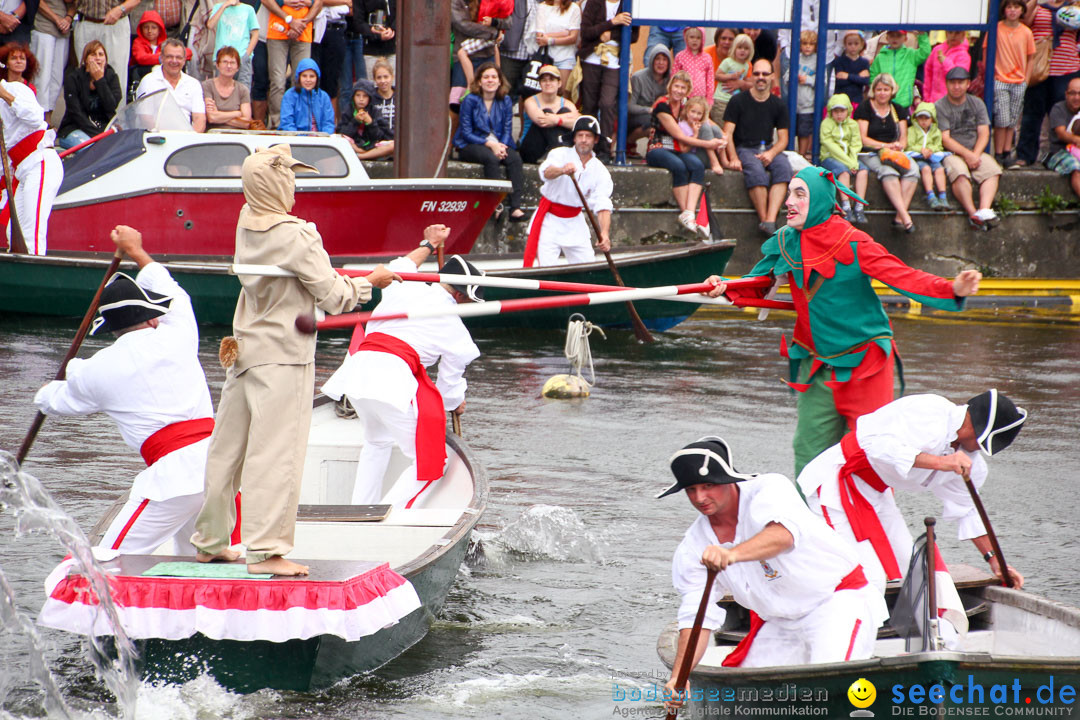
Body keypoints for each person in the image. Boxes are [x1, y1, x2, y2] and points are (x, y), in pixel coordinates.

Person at [190, 144, 399, 576]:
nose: (295, 188)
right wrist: (370, 282)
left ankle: (210, 541)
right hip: (283, 357)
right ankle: (266, 551)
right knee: (277, 454)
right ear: (278, 182)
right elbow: (336, 297)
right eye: (291, 179)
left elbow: (301, 273)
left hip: (245, 350)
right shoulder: (297, 234)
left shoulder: (246, 222)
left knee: (226, 451)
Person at [705, 166, 982, 475]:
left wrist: (951, 289)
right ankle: (806, 520)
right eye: (789, 193)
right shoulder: (786, 240)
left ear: (822, 200)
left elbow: (903, 277)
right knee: (808, 453)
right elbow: (757, 283)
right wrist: (725, 286)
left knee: (867, 456)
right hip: (816, 363)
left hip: (866, 364)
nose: (789, 201)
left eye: (800, 194)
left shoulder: (854, 242)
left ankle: (862, 520)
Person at [659, 436, 887, 705]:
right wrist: (679, 677)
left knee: (829, 688)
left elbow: (783, 536)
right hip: (779, 621)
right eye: (691, 490)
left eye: (708, 486)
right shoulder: (693, 547)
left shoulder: (769, 489)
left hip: (837, 602)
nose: (700, 497)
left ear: (728, 480)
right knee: (748, 701)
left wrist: (731, 554)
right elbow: (696, 619)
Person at [33, 227, 213, 555]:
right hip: (221, 465)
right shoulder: (179, 333)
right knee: (202, 563)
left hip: (173, 479)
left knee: (106, 562)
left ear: (112, 328)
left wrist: (45, 391)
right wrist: (135, 249)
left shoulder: (98, 369)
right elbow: (172, 292)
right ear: (153, 318)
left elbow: (57, 401)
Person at [797, 391, 1027, 637]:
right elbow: (874, 444)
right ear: (976, 426)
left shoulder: (970, 463)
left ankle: (938, 638)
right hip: (837, 480)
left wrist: (994, 560)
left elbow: (968, 512)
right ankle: (837, 640)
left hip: (876, 492)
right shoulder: (931, 411)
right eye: (983, 442)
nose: (980, 450)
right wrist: (941, 462)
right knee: (868, 575)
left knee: (916, 565)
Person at [322, 226, 481, 510]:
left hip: (356, 374)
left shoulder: (404, 284)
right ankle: (387, 517)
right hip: (390, 378)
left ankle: (362, 511)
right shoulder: (454, 326)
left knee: (377, 443)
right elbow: (448, 389)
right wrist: (457, 403)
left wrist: (430, 244)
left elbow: (404, 264)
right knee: (431, 465)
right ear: (461, 297)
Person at [524, 115, 611, 266]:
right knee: (545, 269)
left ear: (595, 140)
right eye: (580, 135)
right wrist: (562, 170)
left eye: (588, 136)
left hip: (575, 222)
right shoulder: (559, 154)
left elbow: (602, 203)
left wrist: (604, 233)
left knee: (588, 267)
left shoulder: (600, 170)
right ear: (574, 138)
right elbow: (546, 172)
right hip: (549, 221)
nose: (583, 139)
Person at [647, 71, 724, 238]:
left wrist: (722, 135)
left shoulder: (685, 105)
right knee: (679, 166)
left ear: (687, 90)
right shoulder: (662, 106)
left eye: (683, 88)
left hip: (679, 148)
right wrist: (709, 144)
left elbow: (704, 119)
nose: (679, 91)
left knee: (697, 165)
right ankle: (686, 213)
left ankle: (689, 212)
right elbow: (680, 136)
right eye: (676, 86)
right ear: (670, 86)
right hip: (659, 147)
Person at [721, 58, 791, 237]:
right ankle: (766, 221)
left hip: (768, 147)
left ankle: (770, 220)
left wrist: (771, 153)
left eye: (765, 74)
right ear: (751, 76)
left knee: (784, 169)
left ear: (772, 77)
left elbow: (783, 140)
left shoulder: (778, 104)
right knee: (756, 172)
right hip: (744, 148)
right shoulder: (738, 101)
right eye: (757, 74)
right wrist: (734, 157)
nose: (761, 78)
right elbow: (727, 133)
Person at [453, 63, 526, 222]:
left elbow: (507, 129)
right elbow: (466, 132)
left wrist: (501, 146)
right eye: (486, 77)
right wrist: (491, 145)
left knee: (514, 159)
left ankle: (516, 207)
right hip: (471, 144)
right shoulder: (470, 100)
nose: (490, 80)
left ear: (500, 81)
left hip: (499, 143)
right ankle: (495, 205)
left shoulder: (505, 100)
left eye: (494, 77)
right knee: (491, 159)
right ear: (479, 81)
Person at [0, 76, 62, 255]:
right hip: (22, 171)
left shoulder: (16, 89)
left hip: (40, 161)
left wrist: (5, 96)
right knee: (14, 233)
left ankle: (35, 276)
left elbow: (36, 117)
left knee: (31, 234)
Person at [936, 67, 1002, 230]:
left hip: (975, 149)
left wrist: (975, 154)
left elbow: (984, 133)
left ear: (967, 84)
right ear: (947, 85)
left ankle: (985, 209)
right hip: (952, 151)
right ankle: (973, 213)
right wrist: (967, 155)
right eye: (953, 83)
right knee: (959, 173)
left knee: (992, 169)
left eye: (960, 82)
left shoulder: (977, 103)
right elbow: (945, 138)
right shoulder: (940, 106)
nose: (956, 86)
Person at [1015, 0, 1079, 167]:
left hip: (1067, 68)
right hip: (1039, 69)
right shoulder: (1039, 6)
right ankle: (1025, 155)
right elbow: (1025, 21)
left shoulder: (1074, 6)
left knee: (1065, 114)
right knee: (1032, 113)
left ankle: (1066, 153)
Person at [852, 73, 919, 232]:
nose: (882, 93)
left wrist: (898, 146)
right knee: (887, 172)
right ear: (873, 91)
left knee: (913, 171)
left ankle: (898, 217)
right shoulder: (865, 108)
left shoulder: (898, 109)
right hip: (871, 152)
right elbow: (863, 139)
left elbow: (904, 138)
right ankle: (906, 217)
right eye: (879, 89)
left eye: (886, 90)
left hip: (893, 151)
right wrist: (885, 145)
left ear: (892, 91)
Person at [576, 0, 638, 160]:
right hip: (591, 58)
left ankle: (604, 149)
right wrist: (612, 22)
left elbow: (634, 35)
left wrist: (612, 34)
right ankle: (587, 147)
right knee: (589, 106)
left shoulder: (628, 4)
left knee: (607, 103)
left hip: (614, 62)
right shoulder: (594, 2)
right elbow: (586, 32)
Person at [263, 0, 322, 129]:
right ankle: (278, 123)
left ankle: (299, 122)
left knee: (302, 80)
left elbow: (318, 3)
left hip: (303, 31)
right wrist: (289, 19)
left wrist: (302, 24)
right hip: (277, 30)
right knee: (277, 81)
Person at [992, 0, 1035, 167]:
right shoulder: (997, 29)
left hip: (1019, 80)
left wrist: (1026, 79)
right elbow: (987, 52)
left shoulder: (1026, 32)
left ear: (1022, 10)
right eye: (1009, 7)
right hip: (1000, 78)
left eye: (1016, 7)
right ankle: (997, 153)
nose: (1012, 10)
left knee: (1012, 119)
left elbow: (1031, 57)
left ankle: (1006, 152)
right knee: (1001, 118)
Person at [57, 40, 120, 150]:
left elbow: (111, 106)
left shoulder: (112, 77)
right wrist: (97, 136)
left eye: (101, 54)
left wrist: (100, 80)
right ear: (85, 60)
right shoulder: (73, 78)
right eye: (93, 54)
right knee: (93, 150)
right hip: (75, 128)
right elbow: (75, 112)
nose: (98, 58)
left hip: (103, 127)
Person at [135, 38, 207, 132]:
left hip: (186, 140)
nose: (174, 61)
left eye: (179, 57)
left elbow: (200, 119)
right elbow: (145, 118)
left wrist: (190, 139)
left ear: (184, 60)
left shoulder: (194, 84)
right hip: (156, 138)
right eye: (169, 56)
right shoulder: (148, 81)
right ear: (162, 58)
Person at [73, 0, 142, 97]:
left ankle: (116, 112)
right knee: (85, 72)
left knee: (116, 74)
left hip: (116, 23)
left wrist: (121, 9)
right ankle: (84, 111)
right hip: (86, 22)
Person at [518, 64, 578, 164]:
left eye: (551, 80)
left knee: (564, 110)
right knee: (547, 112)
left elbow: (578, 122)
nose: (548, 83)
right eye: (544, 80)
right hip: (531, 149)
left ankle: (557, 153)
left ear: (559, 83)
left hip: (556, 147)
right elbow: (542, 121)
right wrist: (565, 119)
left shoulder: (567, 103)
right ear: (540, 83)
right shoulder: (530, 101)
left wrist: (557, 120)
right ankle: (559, 154)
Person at [29, 0, 73, 123]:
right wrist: (56, 19)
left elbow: (74, 3)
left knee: (57, 79)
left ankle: (48, 120)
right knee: (41, 78)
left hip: (64, 29)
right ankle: (38, 122)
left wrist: (68, 19)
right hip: (43, 26)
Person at [818, 93, 861, 219]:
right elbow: (830, 146)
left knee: (863, 170)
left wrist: (853, 161)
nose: (839, 114)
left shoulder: (853, 125)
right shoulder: (826, 124)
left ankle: (859, 206)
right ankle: (846, 205)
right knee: (844, 172)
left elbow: (855, 144)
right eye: (835, 111)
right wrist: (849, 163)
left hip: (849, 158)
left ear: (848, 110)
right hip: (830, 157)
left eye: (842, 111)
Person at [906, 102, 952, 211]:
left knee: (940, 169)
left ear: (932, 119)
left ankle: (942, 196)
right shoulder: (911, 130)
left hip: (932, 156)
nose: (923, 121)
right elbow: (909, 145)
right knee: (926, 169)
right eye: (920, 118)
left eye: (926, 118)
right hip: (918, 157)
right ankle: (930, 195)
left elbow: (939, 146)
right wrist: (921, 150)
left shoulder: (936, 132)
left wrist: (931, 150)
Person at [869, 29, 930, 109]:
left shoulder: (910, 55)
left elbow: (925, 52)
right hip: (884, 103)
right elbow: (873, 78)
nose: (895, 39)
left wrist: (922, 35)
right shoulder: (880, 57)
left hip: (904, 103)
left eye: (898, 36)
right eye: (892, 35)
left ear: (905, 38)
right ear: (887, 38)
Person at [626, 43, 670, 151]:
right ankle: (630, 142)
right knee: (653, 121)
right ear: (651, 61)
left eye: (664, 60)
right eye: (657, 59)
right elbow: (630, 106)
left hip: (658, 115)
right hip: (638, 116)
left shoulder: (670, 80)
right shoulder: (638, 77)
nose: (661, 63)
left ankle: (660, 149)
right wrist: (650, 110)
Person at [207, 0, 259, 88]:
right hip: (222, 57)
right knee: (221, 89)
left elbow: (255, 34)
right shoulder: (218, 7)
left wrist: (246, 55)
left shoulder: (248, 9)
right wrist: (224, 6)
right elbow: (210, 25)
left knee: (243, 90)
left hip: (242, 56)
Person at [337, 77, 393, 159]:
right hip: (353, 145)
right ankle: (360, 153)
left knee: (392, 145)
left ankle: (361, 156)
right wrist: (355, 121)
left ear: (369, 98)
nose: (361, 99)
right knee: (341, 141)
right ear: (353, 97)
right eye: (358, 95)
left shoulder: (375, 111)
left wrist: (370, 123)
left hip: (372, 146)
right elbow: (342, 133)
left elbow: (380, 136)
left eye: (365, 96)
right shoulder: (348, 110)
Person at [1044, 76, 1080, 201]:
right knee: (1076, 167)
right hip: (1060, 152)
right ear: (1066, 94)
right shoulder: (1058, 108)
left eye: (1079, 94)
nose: (1076, 97)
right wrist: (1076, 140)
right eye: (1073, 93)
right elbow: (1061, 133)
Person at [533, 0, 580, 92]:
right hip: (545, 57)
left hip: (565, 57)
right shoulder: (543, 6)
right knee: (543, 91)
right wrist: (564, 33)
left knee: (563, 91)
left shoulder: (574, 8)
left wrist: (550, 40)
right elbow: (540, 37)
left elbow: (573, 38)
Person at [277, 57, 334, 132]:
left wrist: (323, 137)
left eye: (312, 76)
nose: (308, 80)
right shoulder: (289, 95)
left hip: (320, 140)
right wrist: (300, 138)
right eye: (304, 76)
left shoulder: (324, 97)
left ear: (317, 78)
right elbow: (287, 123)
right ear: (298, 78)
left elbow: (328, 123)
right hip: (295, 139)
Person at [203, 46, 253, 130]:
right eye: (225, 62)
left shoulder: (243, 90)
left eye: (232, 63)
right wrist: (237, 114)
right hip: (213, 134)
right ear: (217, 65)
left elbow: (247, 123)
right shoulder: (207, 86)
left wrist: (218, 115)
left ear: (237, 67)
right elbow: (211, 117)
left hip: (237, 136)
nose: (229, 66)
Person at [711, 33, 752, 128]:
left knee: (731, 126)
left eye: (746, 48)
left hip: (734, 100)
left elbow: (746, 82)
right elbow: (717, 76)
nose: (742, 51)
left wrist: (742, 83)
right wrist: (731, 76)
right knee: (720, 126)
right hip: (721, 99)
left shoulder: (746, 65)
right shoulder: (728, 62)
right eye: (740, 47)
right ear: (734, 49)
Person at [678, 96, 723, 175]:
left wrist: (722, 142)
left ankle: (723, 161)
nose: (695, 116)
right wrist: (695, 134)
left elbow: (718, 134)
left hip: (706, 154)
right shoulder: (682, 125)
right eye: (693, 112)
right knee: (705, 127)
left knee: (715, 128)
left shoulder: (701, 123)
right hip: (693, 155)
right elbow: (684, 150)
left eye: (699, 113)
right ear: (687, 110)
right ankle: (715, 162)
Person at [922, 30, 971, 104]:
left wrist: (945, 62)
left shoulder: (964, 56)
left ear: (963, 35)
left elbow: (958, 77)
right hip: (932, 101)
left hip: (951, 103)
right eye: (950, 32)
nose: (953, 36)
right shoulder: (937, 50)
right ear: (946, 33)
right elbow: (928, 72)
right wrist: (927, 97)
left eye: (957, 33)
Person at [673, 26, 714, 107]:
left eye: (698, 38)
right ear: (686, 38)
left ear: (702, 39)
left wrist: (709, 100)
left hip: (701, 99)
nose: (695, 40)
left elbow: (710, 81)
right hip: (684, 97)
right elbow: (674, 77)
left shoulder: (707, 58)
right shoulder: (680, 56)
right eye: (692, 37)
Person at [357, 0, 394, 80]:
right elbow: (358, 22)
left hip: (392, 47)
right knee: (373, 87)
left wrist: (392, 30)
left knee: (393, 85)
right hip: (371, 49)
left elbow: (401, 15)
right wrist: (372, 31)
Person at [794, 31, 817, 159]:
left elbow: (821, 81)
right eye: (804, 43)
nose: (808, 46)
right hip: (795, 101)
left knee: (804, 131)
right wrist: (793, 77)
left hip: (808, 104)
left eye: (811, 44)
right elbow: (786, 75)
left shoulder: (817, 60)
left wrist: (807, 79)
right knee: (793, 129)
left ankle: (802, 155)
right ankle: (793, 154)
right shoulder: (796, 57)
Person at [833, 30, 870, 107]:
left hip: (857, 99)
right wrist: (858, 77)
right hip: (841, 100)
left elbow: (865, 81)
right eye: (850, 44)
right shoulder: (839, 61)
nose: (853, 46)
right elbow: (840, 82)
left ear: (861, 44)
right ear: (845, 45)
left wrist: (847, 76)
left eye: (856, 44)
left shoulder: (864, 62)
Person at [369, 57, 395, 134]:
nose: (383, 81)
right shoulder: (370, 98)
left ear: (392, 77)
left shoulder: (400, 97)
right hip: (377, 139)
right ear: (374, 79)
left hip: (397, 139)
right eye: (379, 78)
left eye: (386, 77)